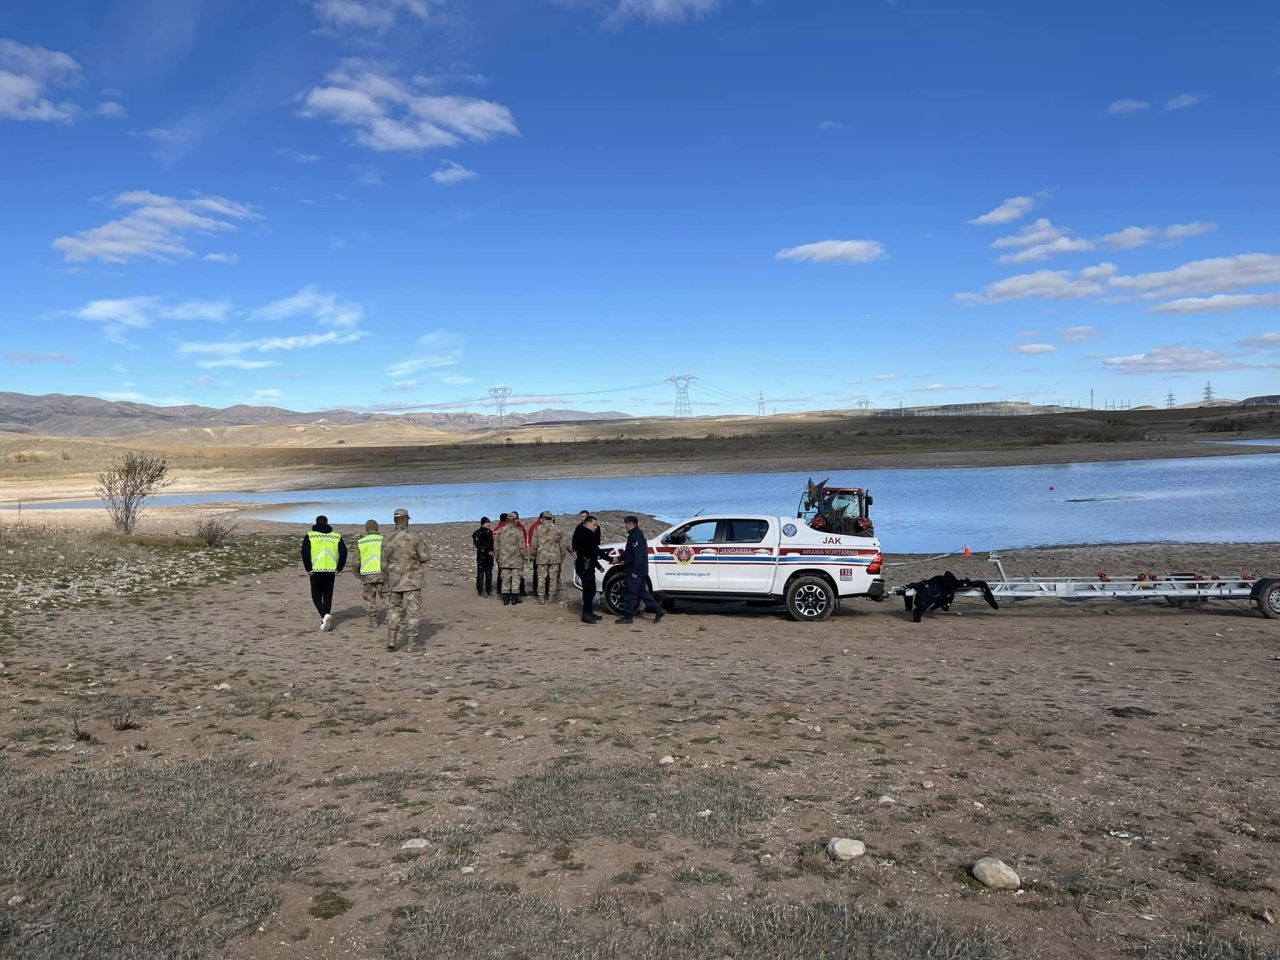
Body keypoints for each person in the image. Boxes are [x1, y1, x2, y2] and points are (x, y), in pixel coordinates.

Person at [383, 507, 431, 651]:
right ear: (406, 520)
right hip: (412, 581)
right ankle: (411, 643)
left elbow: (383, 562)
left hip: (394, 581)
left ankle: (392, 639)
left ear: (395, 521)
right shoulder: (414, 537)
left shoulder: (387, 539)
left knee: (394, 609)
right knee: (412, 611)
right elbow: (425, 557)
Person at [302, 514, 347, 632]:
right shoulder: (336, 536)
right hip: (331, 570)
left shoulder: (310, 536)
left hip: (315, 570)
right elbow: (343, 552)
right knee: (327, 596)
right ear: (327, 523)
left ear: (316, 523)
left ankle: (324, 615)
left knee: (316, 595)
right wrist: (339, 567)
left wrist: (308, 568)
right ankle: (325, 619)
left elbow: (305, 552)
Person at [617, 515, 663, 626]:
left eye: (626, 524)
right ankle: (658, 610)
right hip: (640, 571)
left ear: (629, 524)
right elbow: (628, 553)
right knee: (642, 593)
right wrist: (618, 559)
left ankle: (628, 617)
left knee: (630, 594)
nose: (625, 527)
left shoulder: (636, 536)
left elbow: (638, 556)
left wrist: (635, 572)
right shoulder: (635, 535)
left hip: (635, 571)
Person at [573, 514, 607, 624]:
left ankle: (590, 612)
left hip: (588, 565)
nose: (596, 527)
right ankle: (585, 615)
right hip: (584, 567)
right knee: (588, 591)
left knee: (591, 590)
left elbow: (592, 553)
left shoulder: (587, 533)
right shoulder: (584, 534)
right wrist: (610, 559)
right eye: (594, 525)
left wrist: (598, 566)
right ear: (588, 524)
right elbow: (595, 551)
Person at [353, 519, 386, 628]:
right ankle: (391, 618)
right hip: (383, 574)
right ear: (377, 528)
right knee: (386, 597)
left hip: (367, 574)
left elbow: (356, 560)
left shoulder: (361, 542)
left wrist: (356, 573)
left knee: (369, 598)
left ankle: (373, 620)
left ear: (366, 529)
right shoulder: (383, 540)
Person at [531, 511, 566, 604]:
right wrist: (562, 556)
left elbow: (534, 544)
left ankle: (541, 597)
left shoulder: (538, 529)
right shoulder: (558, 528)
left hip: (542, 557)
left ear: (543, 518)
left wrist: (533, 555)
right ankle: (551, 597)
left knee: (541, 578)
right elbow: (562, 544)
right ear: (551, 518)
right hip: (555, 557)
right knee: (553, 578)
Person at [495, 510, 528, 605]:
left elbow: (496, 546)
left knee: (505, 578)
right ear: (514, 520)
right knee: (516, 578)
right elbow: (522, 546)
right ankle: (514, 598)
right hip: (516, 560)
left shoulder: (500, 531)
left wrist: (497, 557)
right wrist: (525, 557)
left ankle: (505, 599)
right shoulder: (518, 531)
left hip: (504, 559)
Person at [472, 516, 495, 597]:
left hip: (487, 556)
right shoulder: (478, 533)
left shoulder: (489, 532)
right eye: (487, 523)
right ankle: (482, 590)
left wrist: (492, 551)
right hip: (483, 556)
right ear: (483, 523)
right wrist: (488, 551)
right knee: (481, 574)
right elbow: (478, 545)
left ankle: (487, 590)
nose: (489, 524)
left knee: (488, 573)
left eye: (489, 523)